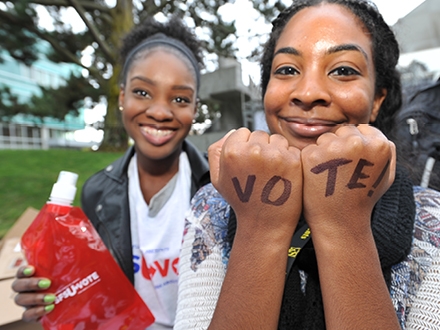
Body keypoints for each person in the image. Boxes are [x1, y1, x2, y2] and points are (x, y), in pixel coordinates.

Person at [174, 0, 440, 329]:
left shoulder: (432, 221)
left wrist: (342, 224)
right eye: (287, 69)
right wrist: (261, 229)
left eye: (343, 70)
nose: (308, 92)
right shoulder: (213, 204)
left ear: (377, 100)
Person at [12, 15, 209, 329]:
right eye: (143, 92)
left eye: (180, 98)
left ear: (195, 109)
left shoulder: (219, 185)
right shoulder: (97, 193)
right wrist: (48, 292)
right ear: (121, 97)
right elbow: (91, 290)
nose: (159, 111)